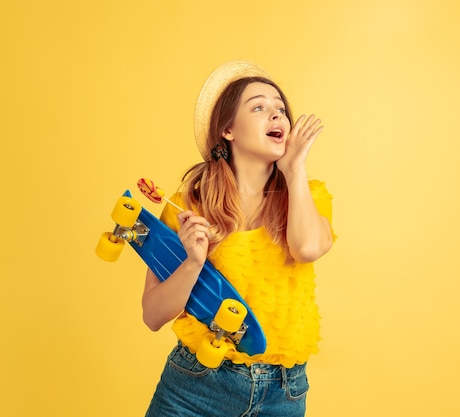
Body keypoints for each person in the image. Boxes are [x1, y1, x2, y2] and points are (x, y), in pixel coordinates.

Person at [142, 61, 336, 417]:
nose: (276, 115)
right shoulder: (189, 205)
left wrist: (294, 169)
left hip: (283, 395)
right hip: (195, 386)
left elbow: (306, 248)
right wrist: (193, 262)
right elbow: (153, 316)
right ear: (228, 129)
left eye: (280, 108)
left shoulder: (308, 195)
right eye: (259, 107)